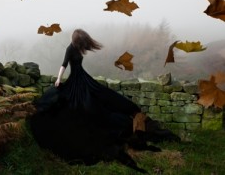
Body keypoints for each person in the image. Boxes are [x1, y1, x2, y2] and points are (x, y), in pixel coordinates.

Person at [29, 29, 180, 173]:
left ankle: (112, 118)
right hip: (76, 79)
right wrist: (58, 79)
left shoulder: (77, 47)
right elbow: (63, 65)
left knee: (98, 98)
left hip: (82, 78)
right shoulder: (70, 49)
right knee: (77, 103)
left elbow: (67, 63)